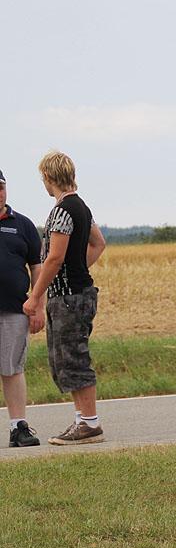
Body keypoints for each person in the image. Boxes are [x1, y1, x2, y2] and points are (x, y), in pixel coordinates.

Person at [22, 151, 107, 445]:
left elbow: (54, 258)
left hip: (69, 298)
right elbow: (99, 243)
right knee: (67, 358)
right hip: (79, 293)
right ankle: (81, 420)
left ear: (48, 177)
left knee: (72, 358)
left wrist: (35, 296)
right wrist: (80, 268)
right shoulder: (82, 207)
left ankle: (89, 423)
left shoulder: (61, 211)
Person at [0, 169, 44, 447]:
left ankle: (19, 428)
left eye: (1, 187)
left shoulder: (23, 225)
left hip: (15, 310)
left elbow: (38, 267)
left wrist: (38, 304)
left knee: (13, 368)